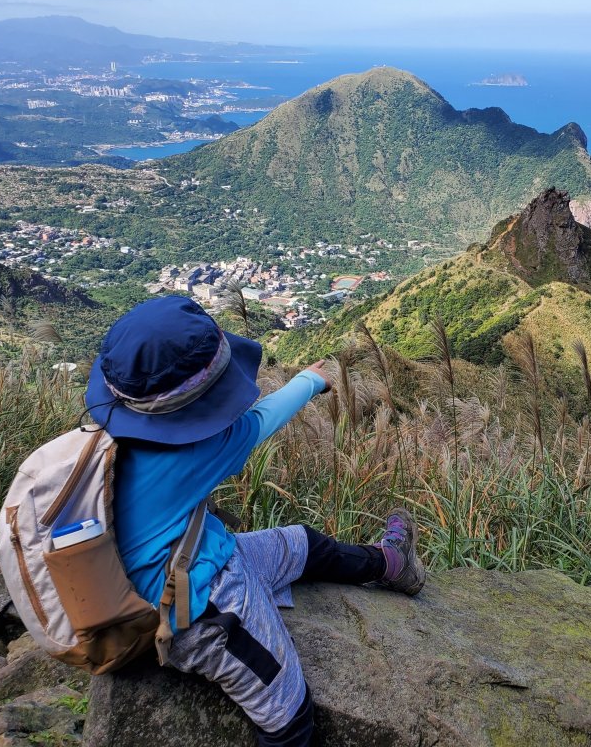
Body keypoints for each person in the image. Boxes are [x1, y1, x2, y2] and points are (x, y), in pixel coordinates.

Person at [83, 295, 425, 746]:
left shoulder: (101, 434)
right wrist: (313, 379)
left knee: (302, 543)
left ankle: (391, 564)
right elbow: (262, 419)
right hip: (198, 608)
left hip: (185, 561)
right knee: (287, 717)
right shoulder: (195, 451)